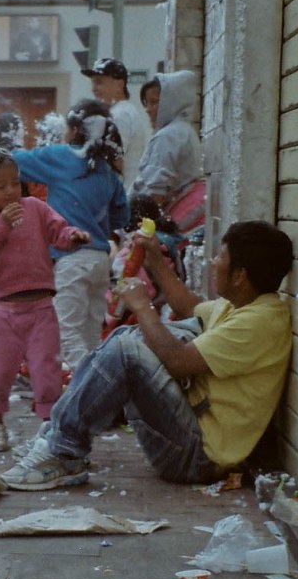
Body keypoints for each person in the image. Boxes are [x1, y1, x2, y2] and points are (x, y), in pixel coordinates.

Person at [1, 220, 294, 489]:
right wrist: (154, 259)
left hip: (196, 458)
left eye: (221, 257)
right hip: (188, 434)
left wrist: (143, 308)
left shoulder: (260, 322)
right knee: (131, 337)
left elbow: (178, 362)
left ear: (240, 275)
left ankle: (62, 452)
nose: (214, 262)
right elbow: (189, 307)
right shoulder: (245, 304)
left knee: (128, 349)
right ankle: (57, 437)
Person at [0, 149, 89, 452]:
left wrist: (73, 236)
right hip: (3, 311)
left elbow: (57, 231)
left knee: (46, 370)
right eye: (1, 186)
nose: (11, 191)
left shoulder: (34, 207)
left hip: (41, 308)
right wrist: (3, 224)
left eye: (15, 183)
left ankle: (48, 428)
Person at [11, 100, 128, 371]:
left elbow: (13, 162)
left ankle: (89, 382)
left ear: (75, 128)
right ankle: (92, 395)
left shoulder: (62, 157)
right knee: (89, 334)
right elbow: (122, 216)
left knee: (65, 332)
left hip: (71, 259)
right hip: (100, 261)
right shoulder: (107, 171)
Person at [129, 70, 203, 219]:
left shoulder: (167, 136)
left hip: (173, 215)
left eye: (154, 102)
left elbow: (156, 195)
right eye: (146, 103)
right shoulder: (183, 130)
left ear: (172, 101)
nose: (148, 109)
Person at [82, 57, 149, 190]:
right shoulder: (125, 111)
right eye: (93, 83)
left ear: (119, 85)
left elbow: (111, 162)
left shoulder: (120, 115)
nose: (93, 89)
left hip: (119, 197)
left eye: (99, 83)